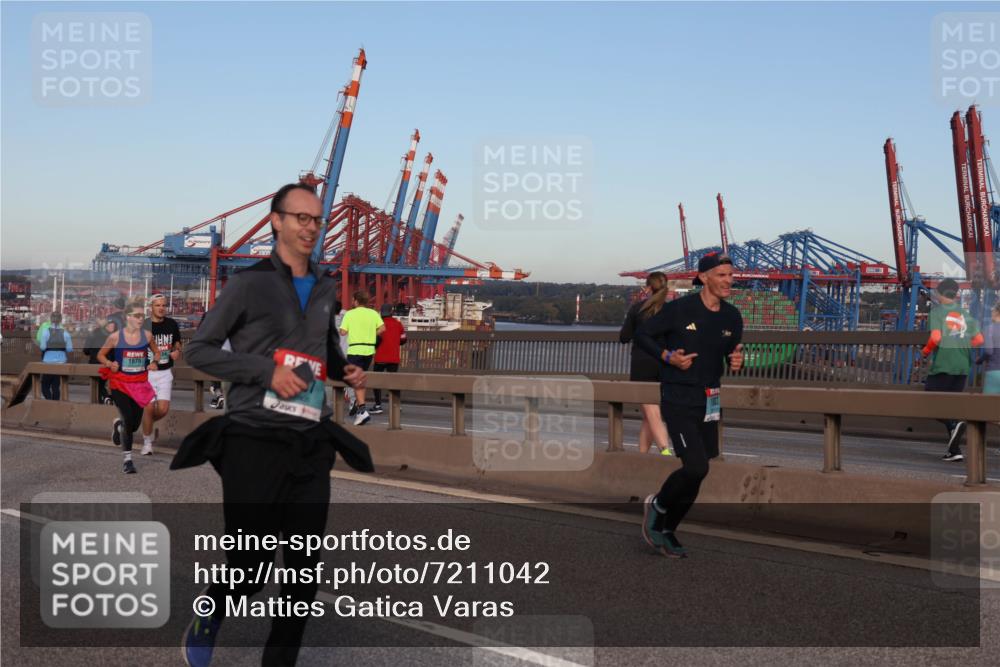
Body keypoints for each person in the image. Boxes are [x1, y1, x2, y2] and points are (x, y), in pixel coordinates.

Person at [173, 182, 371, 667]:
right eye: (299, 217)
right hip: (252, 438)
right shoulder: (247, 284)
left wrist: (344, 369)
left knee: (303, 574)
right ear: (276, 220)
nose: (310, 227)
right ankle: (209, 614)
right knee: (250, 567)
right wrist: (266, 373)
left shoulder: (325, 288)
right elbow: (198, 350)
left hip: (309, 440)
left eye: (316, 219)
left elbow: (322, 348)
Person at [636, 252, 744, 558]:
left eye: (730, 275)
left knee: (700, 470)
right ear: (703, 277)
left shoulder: (732, 317)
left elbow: (732, 352)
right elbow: (643, 335)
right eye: (722, 275)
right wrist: (668, 357)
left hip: (710, 400)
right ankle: (657, 506)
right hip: (679, 396)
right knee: (696, 465)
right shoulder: (680, 309)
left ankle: (668, 529)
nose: (729, 281)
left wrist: (737, 359)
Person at [921, 278, 985, 462]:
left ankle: (955, 423)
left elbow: (936, 338)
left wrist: (925, 352)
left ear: (940, 294)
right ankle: (954, 450)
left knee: (931, 401)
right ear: (956, 294)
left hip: (944, 363)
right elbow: (979, 340)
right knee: (950, 404)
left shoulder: (938, 312)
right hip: (963, 365)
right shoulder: (966, 314)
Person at [96, 297, 159, 474]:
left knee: (134, 424)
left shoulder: (147, 336)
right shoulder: (115, 337)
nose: (141, 319)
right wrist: (110, 364)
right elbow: (101, 355)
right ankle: (128, 460)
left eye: (142, 315)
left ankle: (119, 427)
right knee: (127, 418)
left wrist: (154, 362)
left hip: (139, 384)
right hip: (120, 384)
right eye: (137, 315)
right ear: (127, 317)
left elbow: (157, 352)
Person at [619, 271, 673, 455]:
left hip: (642, 365)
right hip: (665, 364)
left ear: (648, 287)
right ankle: (642, 457)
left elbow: (624, 337)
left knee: (652, 412)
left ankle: (665, 452)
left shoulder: (637, 309)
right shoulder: (670, 311)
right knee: (648, 415)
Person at [140, 294, 182, 455]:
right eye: (158, 305)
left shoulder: (171, 324)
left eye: (164, 305)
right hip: (147, 373)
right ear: (151, 307)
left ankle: (139, 425)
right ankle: (147, 443)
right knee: (149, 408)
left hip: (165, 372)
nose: (161, 308)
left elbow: (177, 341)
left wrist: (177, 350)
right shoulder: (144, 324)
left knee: (163, 410)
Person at [339, 290, 385, 425]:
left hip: (355, 349)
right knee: (360, 378)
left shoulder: (350, 314)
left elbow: (342, 332)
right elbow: (382, 329)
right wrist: (370, 333)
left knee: (354, 379)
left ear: (356, 301)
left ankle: (362, 409)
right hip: (369, 351)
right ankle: (361, 409)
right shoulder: (373, 313)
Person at [371, 302, 407, 414]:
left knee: (376, 382)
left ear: (381, 313)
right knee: (393, 382)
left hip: (380, 358)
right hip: (393, 358)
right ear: (391, 312)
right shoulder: (398, 323)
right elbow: (403, 340)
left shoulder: (378, 324)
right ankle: (396, 405)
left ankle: (378, 405)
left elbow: (374, 340)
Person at [83, 317, 117, 404]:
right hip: (106, 364)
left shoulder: (93, 334)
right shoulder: (112, 336)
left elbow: (86, 350)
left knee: (97, 386)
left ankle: (103, 400)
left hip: (94, 363)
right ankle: (105, 399)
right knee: (101, 384)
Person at [39, 311, 73, 400]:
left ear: (51, 320)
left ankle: (49, 401)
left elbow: (42, 347)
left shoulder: (46, 332)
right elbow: (69, 349)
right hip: (61, 362)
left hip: (48, 362)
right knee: (55, 386)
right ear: (60, 320)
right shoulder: (66, 333)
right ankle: (55, 403)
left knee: (45, 385)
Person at [982, 302, 1000, 396]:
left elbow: (989, 351)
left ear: (997, 312)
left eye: (992, 311)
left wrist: (980, 359)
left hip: (995, 371)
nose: (991, 313)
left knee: (988, 406)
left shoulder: (989, 328)